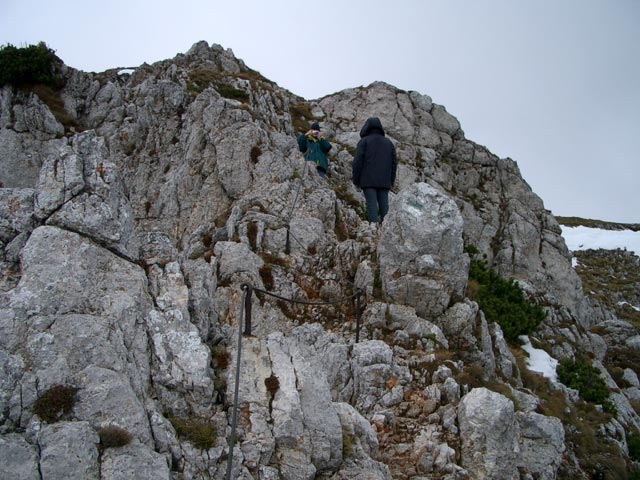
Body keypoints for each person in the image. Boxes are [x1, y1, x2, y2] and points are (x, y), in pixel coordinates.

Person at [352, 117, 397, 223]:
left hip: (368, 181)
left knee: (372, 207)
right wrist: (391, 181)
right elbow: (394, 163)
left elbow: (357, 162)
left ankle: (374, 231)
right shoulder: (388, 143)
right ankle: (386, 231)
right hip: (384, 182)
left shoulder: (364, 141)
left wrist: (356, 180)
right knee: (385, 210)